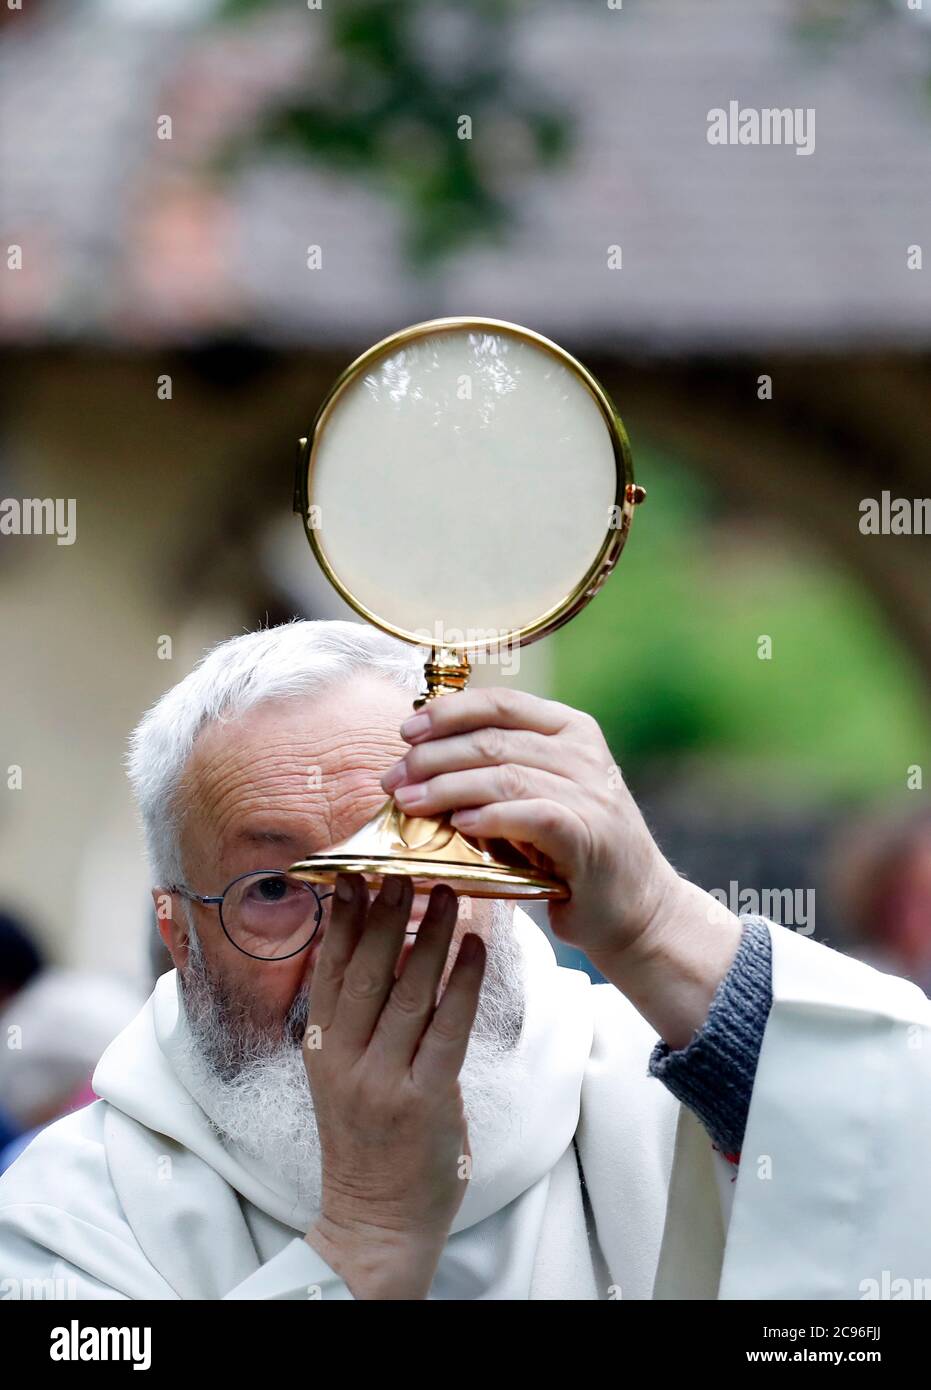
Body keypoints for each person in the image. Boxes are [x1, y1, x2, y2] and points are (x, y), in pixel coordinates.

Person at [0, 620, 927, 1300]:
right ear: (176, 934)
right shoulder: (77, 1215)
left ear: (502, 872)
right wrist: (363, 1241)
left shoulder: (665, 1091)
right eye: (276, 889)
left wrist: (651, 920)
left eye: (414, 864)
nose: (367, 950)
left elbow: (888, 1159)